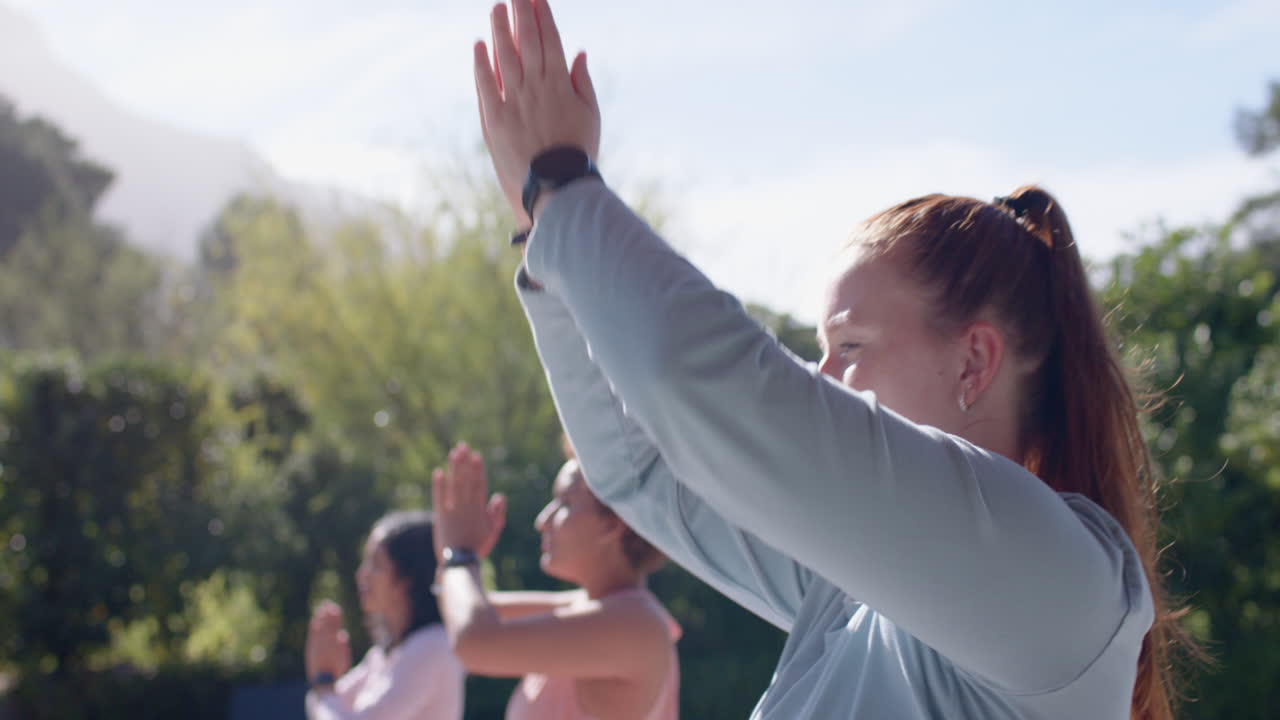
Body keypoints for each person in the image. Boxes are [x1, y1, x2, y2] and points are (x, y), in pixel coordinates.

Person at [465, 1, 1190, 718]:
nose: (821, 377)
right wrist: (544, 235)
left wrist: (562, 188)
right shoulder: (867, 588)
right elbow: (642, 469)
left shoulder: (1057, 578)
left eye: (850, 347)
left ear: (973, 362)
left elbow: (701, 388)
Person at [431, 441, 680, 720]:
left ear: (613, 522)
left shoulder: (636, 625)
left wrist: (460, 555)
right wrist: (458, 557)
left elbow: (475, 641)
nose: (543, 520)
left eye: (564, 503)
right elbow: (463, 611)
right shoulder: (591, 607)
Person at [305, 511, 465, 720]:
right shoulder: (382, 655)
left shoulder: (432, 646)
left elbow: (325, 702)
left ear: (407, 579)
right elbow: (321, 703)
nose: (362, 574)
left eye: (376, 565)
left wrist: (324, 681)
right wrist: (325, 682)